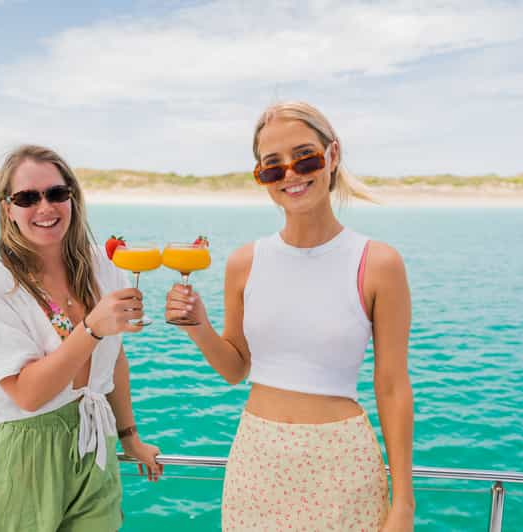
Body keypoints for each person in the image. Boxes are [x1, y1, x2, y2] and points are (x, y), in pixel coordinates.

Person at [165, 102, 414, 531]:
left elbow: (392, 387)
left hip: (343, 468)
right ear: (260, 177)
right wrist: (198, 326)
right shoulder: (245, 262)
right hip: (256, 463)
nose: (291, 175)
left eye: (305, 157)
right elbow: (236, 368)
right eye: (272, 167)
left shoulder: (378, 263)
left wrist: (403, 505)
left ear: (332, 156)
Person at [0, 145, 162, 531]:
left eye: (56, 193)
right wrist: (92, 329)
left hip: (95, 442)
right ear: (8, 209)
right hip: (23, 453)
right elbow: (28, 394)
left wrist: (129, 436)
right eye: (27, 198)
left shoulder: (104, 268)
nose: (45, 207)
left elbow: (114, 361)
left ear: (73, 197)